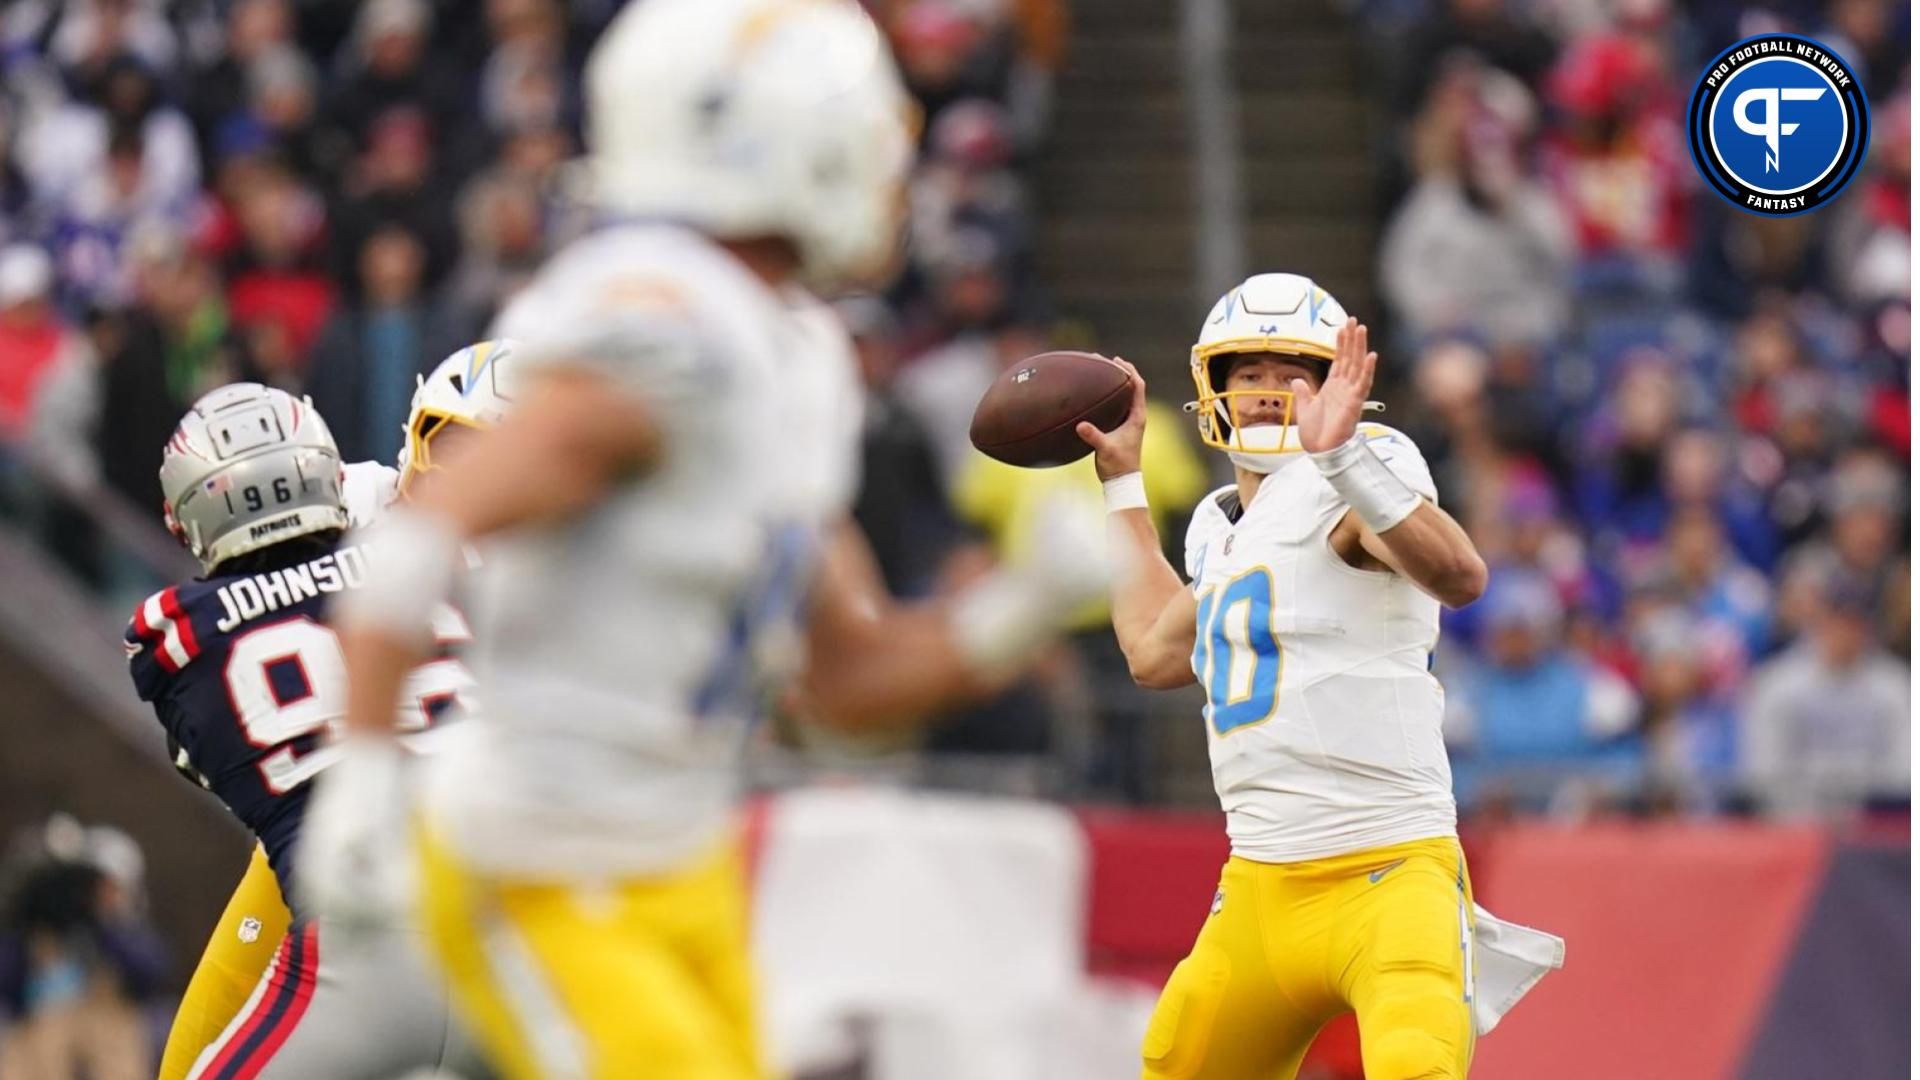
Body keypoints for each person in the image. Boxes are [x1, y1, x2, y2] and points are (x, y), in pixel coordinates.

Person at [302, 2, 1104, 1077]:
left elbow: (843, 690)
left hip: (679, 863)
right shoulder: (673, 322)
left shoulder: (796, 351)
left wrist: (1022, 606)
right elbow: (426, 532)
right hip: (538, 862)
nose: (884, 171)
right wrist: (358, 774)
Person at [1079, 271, 1559, 1079]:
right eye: (1250, 375)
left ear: (1336, 381)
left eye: (1289, 373)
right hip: (1261, 886)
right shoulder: (1219, 527)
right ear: (1215, 390)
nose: (1268, 394)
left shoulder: (1360, 473)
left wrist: (1341, 458)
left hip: (1389, 871)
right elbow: (1154, 652)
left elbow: (1460, 574)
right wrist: (1123, 483)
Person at [127, 379, 501, 1080]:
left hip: (366, 936)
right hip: (524, 914)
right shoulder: (438, 553)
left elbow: (212, 758)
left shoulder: (175, 637)